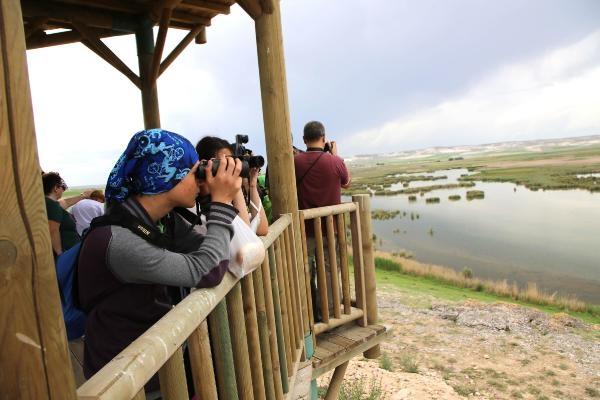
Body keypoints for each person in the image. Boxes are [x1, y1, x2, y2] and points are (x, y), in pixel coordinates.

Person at [77, 129, 242, 380]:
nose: (200, 181)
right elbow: (208, 269)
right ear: (168, 175)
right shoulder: (117, 240)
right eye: (193, 172)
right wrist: (221, 202)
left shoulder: (162, 221)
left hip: (156, 361)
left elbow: (216, 249)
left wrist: (212, 199)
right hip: (125, 376)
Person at [294, 121, 351, 320]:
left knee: (304, 270)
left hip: (303, 230)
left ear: (304, 140)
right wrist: (335, 155)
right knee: (328, 272)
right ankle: (330, 313)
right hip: (330, 229)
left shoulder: (295, 162)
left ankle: (308, 314)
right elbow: (347, 183)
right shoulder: (335, 162)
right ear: (324, 138)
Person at [195, 136, 269, 236]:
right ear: (206, 166)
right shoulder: (199, 210)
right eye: (225, 163)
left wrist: (252, 185)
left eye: (232, 161)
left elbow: (262, 229)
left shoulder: (229, 199)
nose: (232, 167)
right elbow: (246, 236)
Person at [42, 172, 90, 256]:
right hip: (67, 252)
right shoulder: (52, 206)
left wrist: (83, 196)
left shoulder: (46, 203)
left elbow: (65, 203)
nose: (63, 190)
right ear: (56, 188)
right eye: (62, 187)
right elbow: (53, 230)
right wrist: (60, 254)